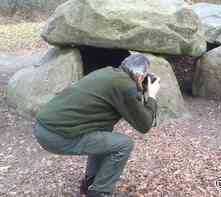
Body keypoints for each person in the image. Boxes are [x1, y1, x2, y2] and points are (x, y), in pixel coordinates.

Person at [33, 53, 160, 197]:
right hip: (56, 135)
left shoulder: (109, 73)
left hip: (43, 126)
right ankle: (100, 191)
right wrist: (152, 96)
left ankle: (91, 182)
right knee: (124, 145)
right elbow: (145, 125)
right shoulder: (125, 86)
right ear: (140, 77)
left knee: (104, 133)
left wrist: (140, 89)